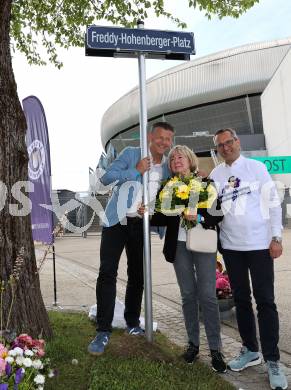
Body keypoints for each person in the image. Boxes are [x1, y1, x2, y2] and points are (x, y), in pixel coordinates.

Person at [210, 128, 288, 390]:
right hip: (232, 248)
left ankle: (273, 360)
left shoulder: (256, 168)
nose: (225, 147)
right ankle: (250, 350)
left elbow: (273, 203)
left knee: (265, 301)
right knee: (241, 301)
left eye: (229, 142)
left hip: (260, 246)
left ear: (237, 142)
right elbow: (210, 210)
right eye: (220, 145)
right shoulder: (215, 175)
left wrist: (276, 237)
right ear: (217, 150)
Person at [88, 121, 174, 355]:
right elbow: (108, 178)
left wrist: (151, 210)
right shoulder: (131, 154)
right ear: (150, 137)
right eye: (160, 137)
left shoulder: (166, 168)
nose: (163, 143)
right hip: (116, 222)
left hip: (140, 225)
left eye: (168, 139)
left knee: (138, 275)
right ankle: (103, 329)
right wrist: (136, 169)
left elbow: (165, 196)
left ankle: (132, 323)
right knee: (107, 272)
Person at [140, 145, 227, 373]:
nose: (176, 160)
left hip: (202, 241)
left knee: (207, 295)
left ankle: (216, 349)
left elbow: (217, 214)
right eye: (172, 159)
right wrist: (147, 211)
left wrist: (197, 214)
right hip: (178, 245)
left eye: (180, 157)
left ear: (189, 160)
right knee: (188, 294)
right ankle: (193, 344)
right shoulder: (167, 187)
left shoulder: (206, 184)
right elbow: (160, 215)